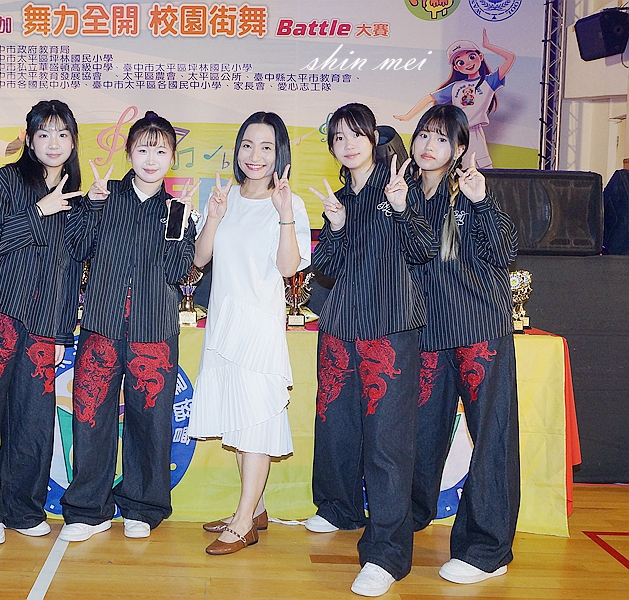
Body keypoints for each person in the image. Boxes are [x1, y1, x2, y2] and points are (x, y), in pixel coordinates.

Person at [307, 103, 438, 596]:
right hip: (342, 325)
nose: (348, 145)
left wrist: (402, 208)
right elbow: (326, 265)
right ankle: (338, 508)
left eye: (356, 135)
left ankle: (386, 555)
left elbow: (423, 249)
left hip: (389, 327)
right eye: (338, 138)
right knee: (335, 425)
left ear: (373, 139)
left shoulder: (398, 185)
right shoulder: (340, 198)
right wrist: (337, 225)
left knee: (388, 442)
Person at [59, 111, 198, 542]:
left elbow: (179, 271)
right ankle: (89, 509)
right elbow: (76, 247)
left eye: (161, 151)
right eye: (143, 149)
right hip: (101, 326)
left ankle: (142, 505)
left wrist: (178, 227)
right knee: (91, 417)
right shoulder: (105, 195)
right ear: (128, 153)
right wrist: (93, 206)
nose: (151, 159)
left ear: (172, 158)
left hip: (153, 331)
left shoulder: (177, 210)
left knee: (150, 421)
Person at [0, 100, 83, 546]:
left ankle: (23, 509)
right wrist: (38, 212)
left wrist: (62, 330)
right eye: (44, 134)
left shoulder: (76, 194)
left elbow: (70, 266)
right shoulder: (9, 179)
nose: (54, 143)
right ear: (29, 141)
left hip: (42, 320)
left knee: (33, 419)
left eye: (62, 134)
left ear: (73, 142)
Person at [187, 112, 311, 556]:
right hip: (224, 323)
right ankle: (253, 509)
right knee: (238, 416)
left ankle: (243, 524)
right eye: (247, 145)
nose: (255, 156)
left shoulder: (289, 203)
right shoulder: (224, 197)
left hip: (259, 326)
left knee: (256, 420)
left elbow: (289, 268)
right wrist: (214, 217)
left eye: (266, 147)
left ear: (280, 154)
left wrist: (283, 214)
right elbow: (200, 259)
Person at [406, 104, 519, 585]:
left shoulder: (469, 192)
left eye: (441, 138)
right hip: (429, 337)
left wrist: (482, 202)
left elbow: (505, 251)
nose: (429, 145)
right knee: (418, 435)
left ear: (458, 149)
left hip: (478, 331)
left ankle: (487, 550)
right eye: (423, 135)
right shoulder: (405, 194)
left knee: (491, 438)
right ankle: (408, 517)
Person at [394, 29, 515, 169]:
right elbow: (429, 98)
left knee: (481, 168)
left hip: (474, 133)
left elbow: (510, 58)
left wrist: (488, 46)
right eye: (460, 62)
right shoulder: (455, 87)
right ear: (456, 67)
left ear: (480, 56)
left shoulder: (488, 81)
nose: (467, 63)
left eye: (471, 57)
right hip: (455, 132)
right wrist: (408, 116)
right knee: (456, 168)